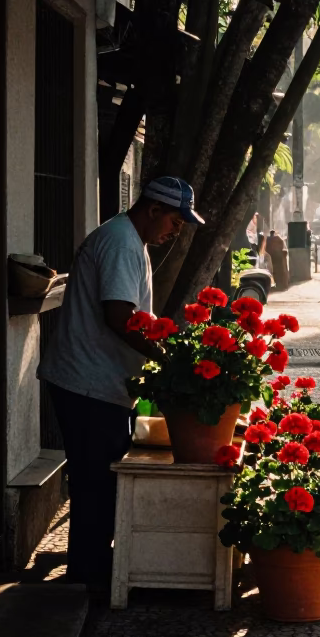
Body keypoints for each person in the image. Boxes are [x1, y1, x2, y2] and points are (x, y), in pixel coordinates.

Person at [38, 176, 204, 589]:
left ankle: (92, 570)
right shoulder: (121, 243)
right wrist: (168, 359)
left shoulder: (131, 241)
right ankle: (88, 581)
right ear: (152, 210)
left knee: (101, 482)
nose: (176, 230)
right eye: (174, 220)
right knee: (96, 484)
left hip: (101, 382)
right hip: (88, 383)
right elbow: (120, 317)